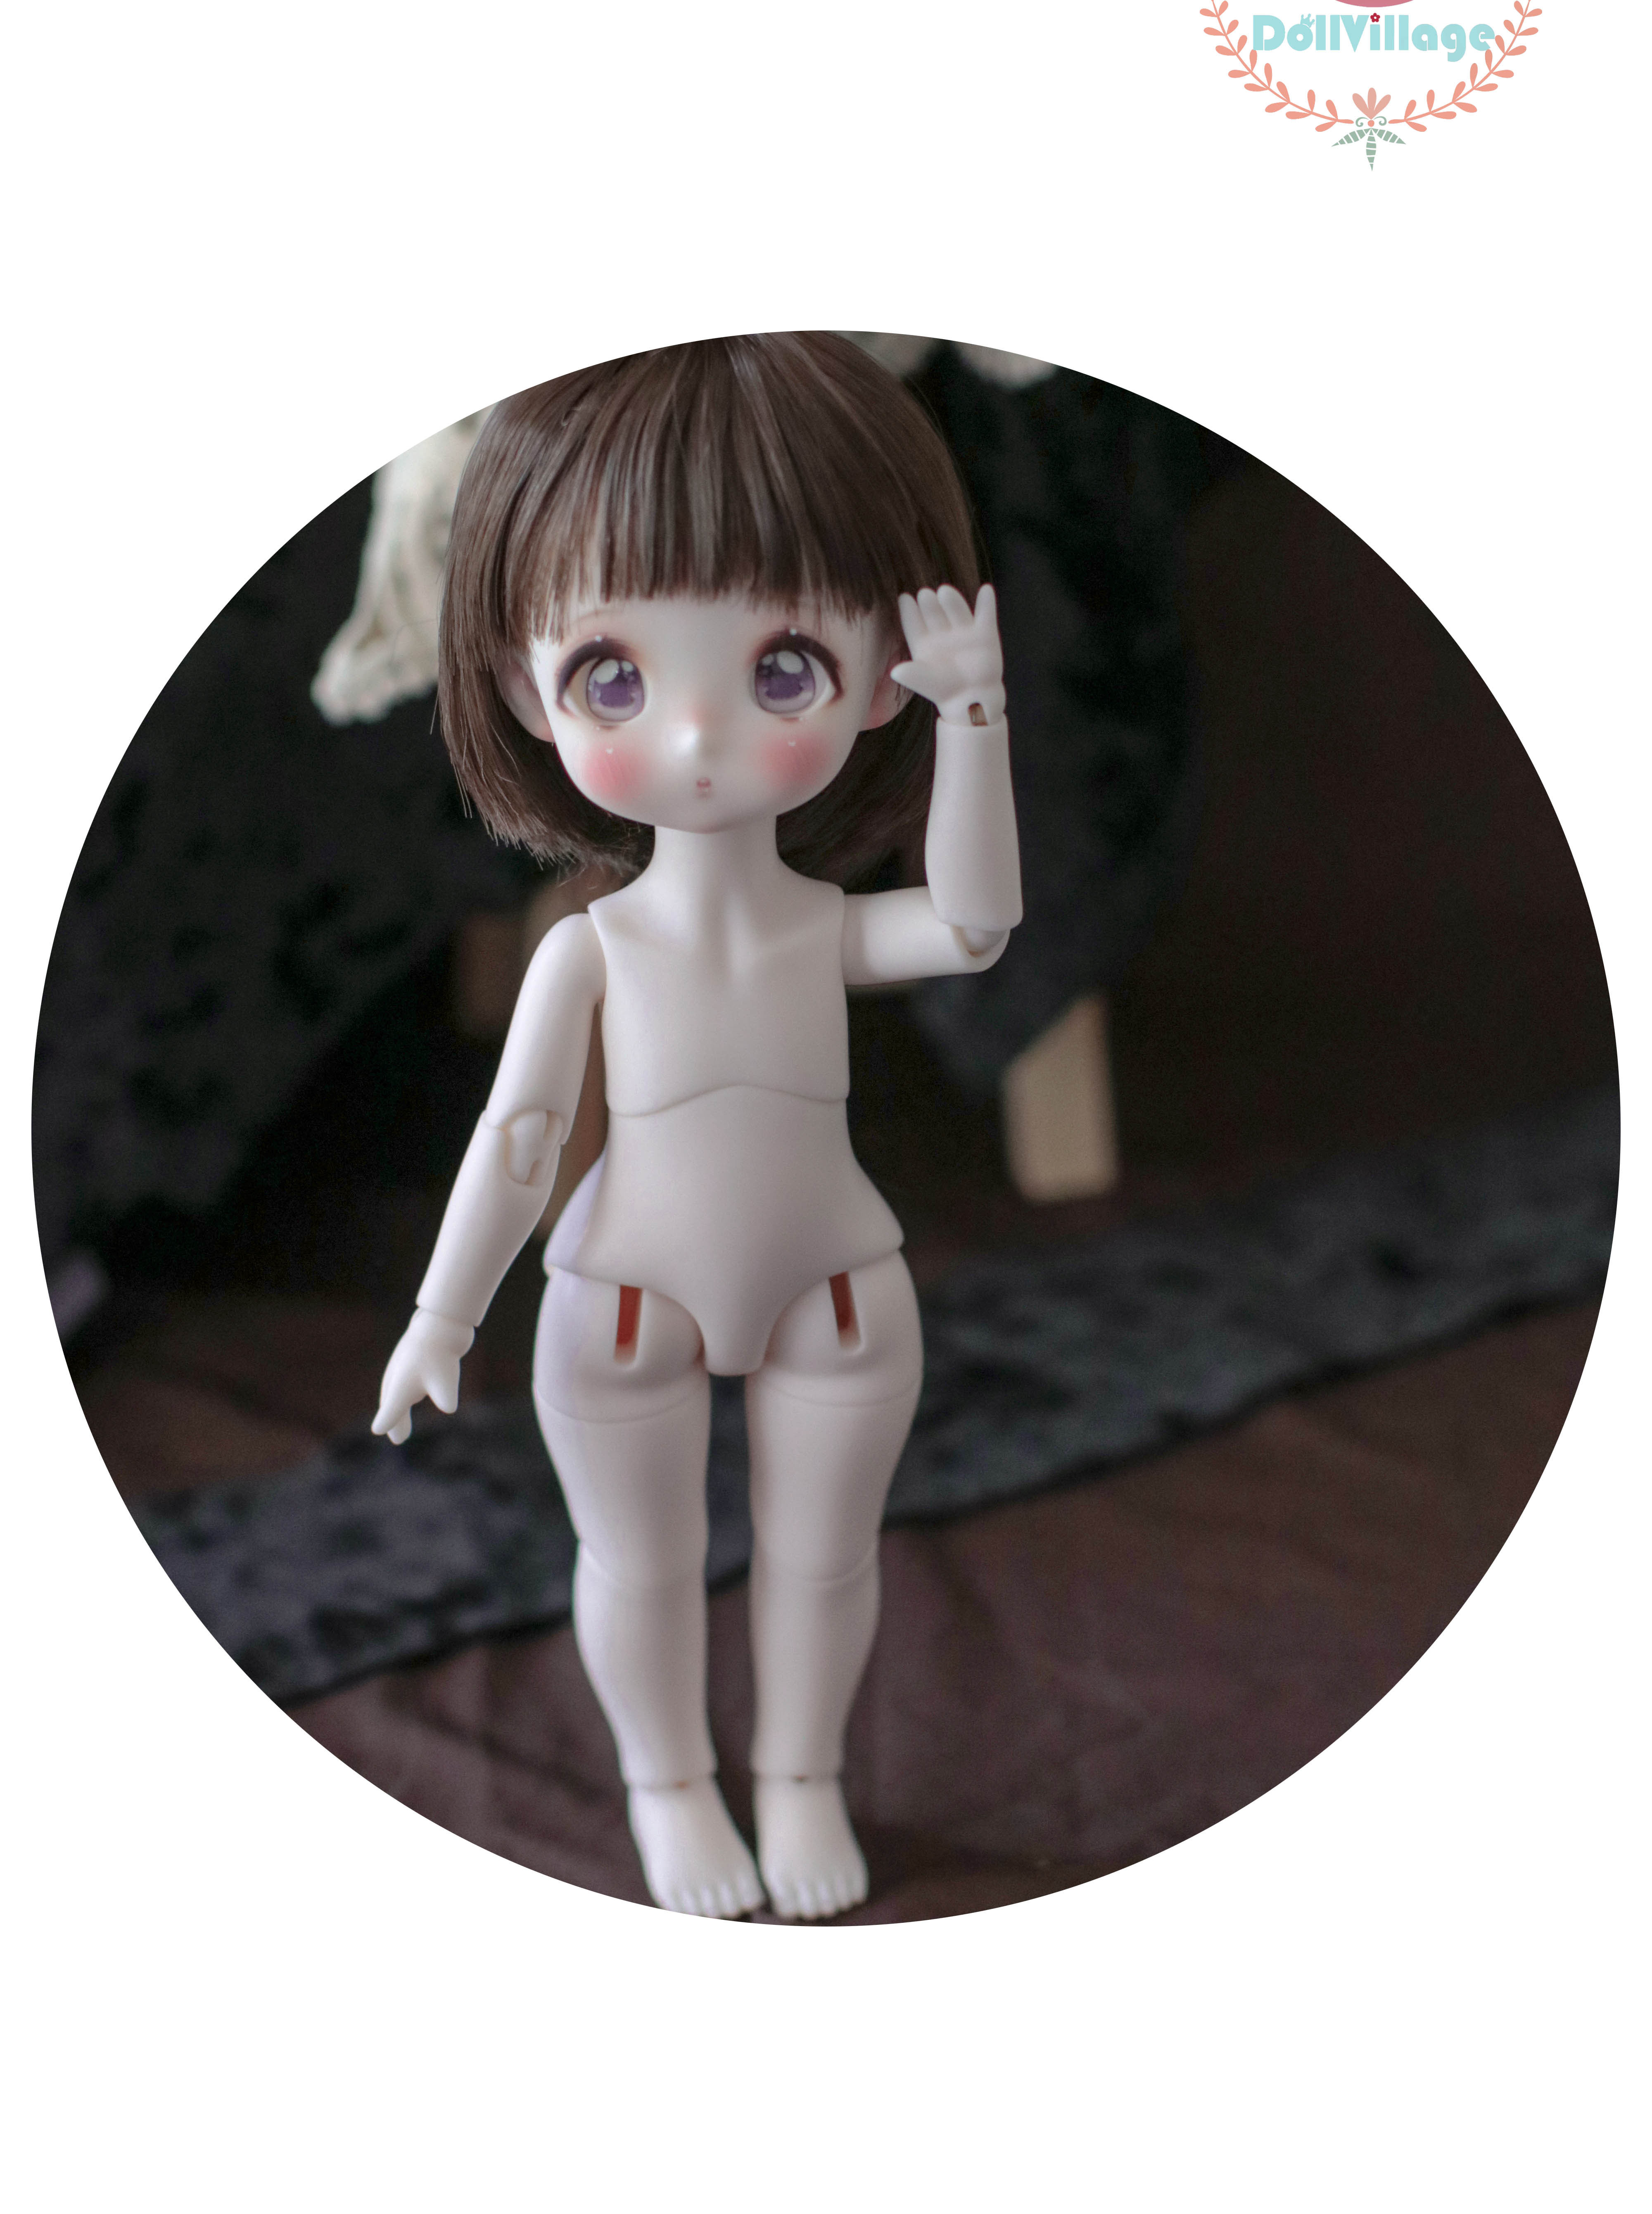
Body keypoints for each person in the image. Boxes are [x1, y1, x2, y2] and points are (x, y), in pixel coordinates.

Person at [373, 335, 1022, 1919]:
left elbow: (974, 925)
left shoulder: (823, 927)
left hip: (838, 1289)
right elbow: (521, 1139)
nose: (696, 734)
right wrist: (440, 1316)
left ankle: (801, 1775)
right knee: (637, 1564)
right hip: (622, 1298)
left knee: (827, 1559)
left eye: (782, 668)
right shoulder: (592, 952)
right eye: (616, 676)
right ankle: (667, 1786)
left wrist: (979, 723)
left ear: (880, 674)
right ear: (525, 688)